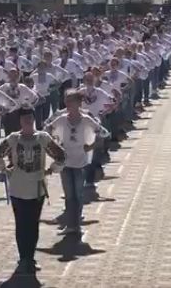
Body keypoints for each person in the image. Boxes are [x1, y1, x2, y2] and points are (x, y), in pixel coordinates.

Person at [0, 106, 66, 275]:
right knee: (21, 224)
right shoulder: (13, 138)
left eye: (30, 118)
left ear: (34, 119)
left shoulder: (43, 138)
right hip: (17, 188)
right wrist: (4, 169)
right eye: (25, 118)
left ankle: (30, 257)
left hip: (37, 188)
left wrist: (51, 169)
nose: (28, 121)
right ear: (20, 121)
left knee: (33, 225)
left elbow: (60, 155)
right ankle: (23, 257)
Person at [44, 91, 109, 237]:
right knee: (69, 195)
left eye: (71, 101)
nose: (67, 104)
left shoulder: (86, 120)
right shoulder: (61, 119)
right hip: (65, 162)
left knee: (78, 195)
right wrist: (55, 146)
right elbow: (47, 130)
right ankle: (70, 224)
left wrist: (90, 146)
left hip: (80, 163)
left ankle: (76, 225)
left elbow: (103, 133)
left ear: (79, 103)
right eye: (66, 101)